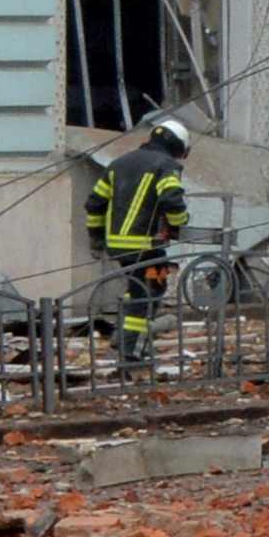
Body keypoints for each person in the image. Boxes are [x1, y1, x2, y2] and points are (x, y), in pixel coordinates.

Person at [81, 114, 193, 376]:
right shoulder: (166, 166)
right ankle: (131, 352)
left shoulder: (118, 164)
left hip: (118, 246)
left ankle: (123, 338)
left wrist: (96, 237)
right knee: (150, 291)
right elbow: (172, 200)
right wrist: (179, 223)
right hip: (145, 245)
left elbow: (95, 203)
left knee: (137, 287)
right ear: (177, 145)